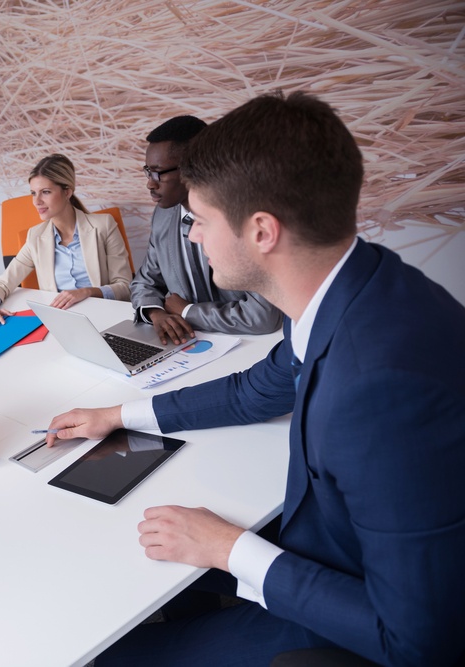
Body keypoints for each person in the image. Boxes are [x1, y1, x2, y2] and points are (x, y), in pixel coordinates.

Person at [46, 92, 465, 665]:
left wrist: (227, 546)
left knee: (110, 652)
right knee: (123, 562)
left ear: (262, 231)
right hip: (325, 549)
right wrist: (115, 417)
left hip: (342, 620)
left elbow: (413, 639)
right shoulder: (353, 289)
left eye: (203, 220)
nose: (190, 236)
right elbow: (251, 391)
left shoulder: (380, 387)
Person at [131, 115, 282, 344]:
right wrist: (156, 314)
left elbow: (262, 316)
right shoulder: (163, 215)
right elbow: (145, 282)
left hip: (249, 346)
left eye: (158, 172)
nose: (150, 183)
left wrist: (188, 312)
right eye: (147, 171)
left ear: (194, 167)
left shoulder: (242, 219)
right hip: (185, 345)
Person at [0, 154, 133, 328]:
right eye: (33, 193)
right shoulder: (36, 237)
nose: (37, 201)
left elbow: (125, 287)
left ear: (67, 191)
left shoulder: (103, 226)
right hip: (61, 323)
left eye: (45, 192)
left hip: (105, 318)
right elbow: (3, 283)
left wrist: (87, 292)